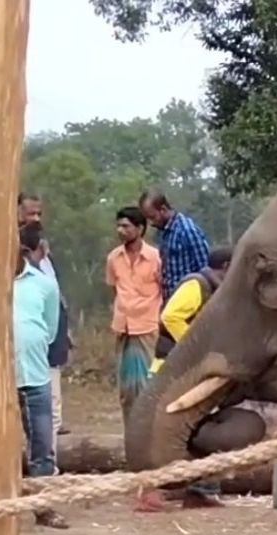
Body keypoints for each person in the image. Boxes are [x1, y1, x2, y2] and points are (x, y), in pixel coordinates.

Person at [152, 246, 235, 509]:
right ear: (226, 267)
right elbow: (170, 316)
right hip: (171, 369)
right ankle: (153, 488)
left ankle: (198, 489)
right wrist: (193, 348)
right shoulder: (197, 285)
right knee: (164, 435)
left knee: (196, 432)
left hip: (192, 374)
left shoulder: (216, 291)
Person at [105, 205, 166, 512]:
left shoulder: (156, 258)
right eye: (119, 226)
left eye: (127, 226)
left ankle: (152, 478)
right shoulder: (113, 259)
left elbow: (166, 291)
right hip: (123, 331)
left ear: (141, 229)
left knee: (147, 396)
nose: (122, 231)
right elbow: (112, 291)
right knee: (128, 397)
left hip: (147, 330)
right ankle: (137, 472)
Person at [14, 225, 69, 529]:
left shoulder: (45, 285)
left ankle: (44, 508)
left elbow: (49, 329)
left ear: (23, 250)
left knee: (43, 448)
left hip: (35, 377)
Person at [17, 194, 73, 440]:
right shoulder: (11, 260)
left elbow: (54, 293)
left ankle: (53, 436)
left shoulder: (44, 254)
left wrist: (63, 329)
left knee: (50, 384)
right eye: (30, 213)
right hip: (24, 342)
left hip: (47, 335)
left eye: (39, 213)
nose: (36, 218)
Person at [139, 189, 210, 302]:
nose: (151, 223)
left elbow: (205, 268)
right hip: (172, 303)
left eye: (153, 217)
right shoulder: (166, 233)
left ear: (163, 209)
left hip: (188, 304)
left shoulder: (187, 230)